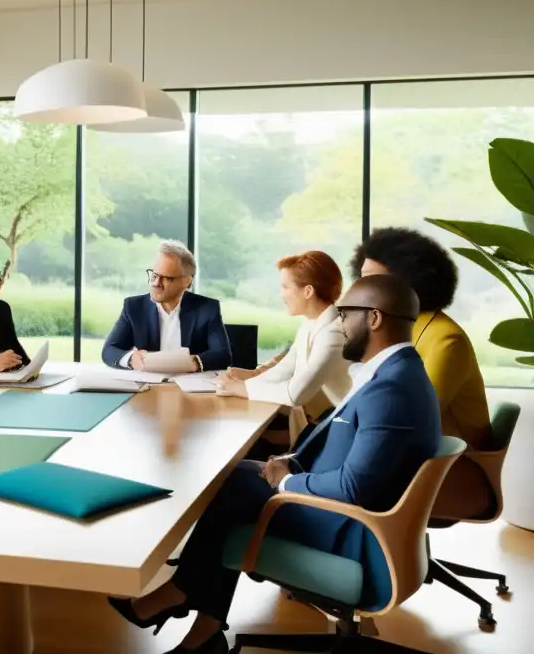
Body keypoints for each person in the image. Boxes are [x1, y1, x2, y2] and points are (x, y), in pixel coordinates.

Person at [108, 274, 441, 653]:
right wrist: (292, 461)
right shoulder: (394, 372)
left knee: (232, 491)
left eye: (346, 315)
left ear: (375, 319)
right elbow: (352, 449)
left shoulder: (392, 389)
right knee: (236, 479)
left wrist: (286, 483)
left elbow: (353, 487)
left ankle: (182, 594)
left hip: (353, 529)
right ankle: (201, 626)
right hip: (352, 511)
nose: (340, 325)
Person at [351, 227, 494, 451]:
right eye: (361, 278)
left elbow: (409, 419)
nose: (359, 288)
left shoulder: (446, 340)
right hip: (401, 455)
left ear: (408, 282)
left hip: (453, 470)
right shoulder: (392, 327)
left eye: (372, 279)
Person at [216, 251, 351, 450]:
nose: (282, 294)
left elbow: (296, 394)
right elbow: (284, 370)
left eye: (285, 287)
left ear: (308, 291)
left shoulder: (333, 333)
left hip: (343, 431)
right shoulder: (311, 324)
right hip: (325, 422)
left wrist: (241, 389)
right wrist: (245, 380)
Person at [102, 240, 231, 373]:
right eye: (154, 275)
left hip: (189, 387)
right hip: (147, 387)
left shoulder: (207, 308)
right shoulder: (134, 307)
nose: (156, 283)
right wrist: (131, 358)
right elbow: (109, 350)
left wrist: (193, 363)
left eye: (167, 278)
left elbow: (222, 354)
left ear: (187, 281)